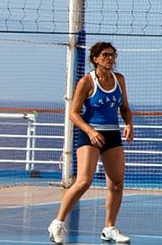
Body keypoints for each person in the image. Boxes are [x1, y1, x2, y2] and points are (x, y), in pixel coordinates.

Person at [48, 42, 134, 244]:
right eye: (105, 55)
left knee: (116, 183)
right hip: (90, 134)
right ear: (95, 59)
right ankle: (57, 223)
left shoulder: (119, 79)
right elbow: (73, 114)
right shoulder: (87, 82)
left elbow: (125, 108)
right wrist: (90, 131)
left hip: (112, 134)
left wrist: (129, 123)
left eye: (113, 55)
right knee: (84, 181)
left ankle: (109, 228)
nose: (110, 59)